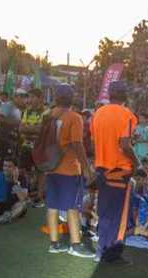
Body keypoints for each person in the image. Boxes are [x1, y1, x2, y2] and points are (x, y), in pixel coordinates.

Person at [89, 80, 139, 265]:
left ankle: (101, 250)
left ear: (109, 95)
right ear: (125, 95)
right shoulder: (127, 115)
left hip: (101, 167)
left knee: (104, 212)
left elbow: (94, 142)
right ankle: (111, 253)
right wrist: (136, 162)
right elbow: (125, 144)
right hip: (119, 169)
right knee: (118, 215)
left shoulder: (98, 113)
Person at [45, 85, 94, 258]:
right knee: (73, 207)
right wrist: (86, 168)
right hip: (69, 168)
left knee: (52, 206)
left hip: (51, 166)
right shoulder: (74, 117)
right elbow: (77, 144)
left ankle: (54, 244)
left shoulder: (49, 115)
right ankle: (75, 244)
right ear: (72, 99)